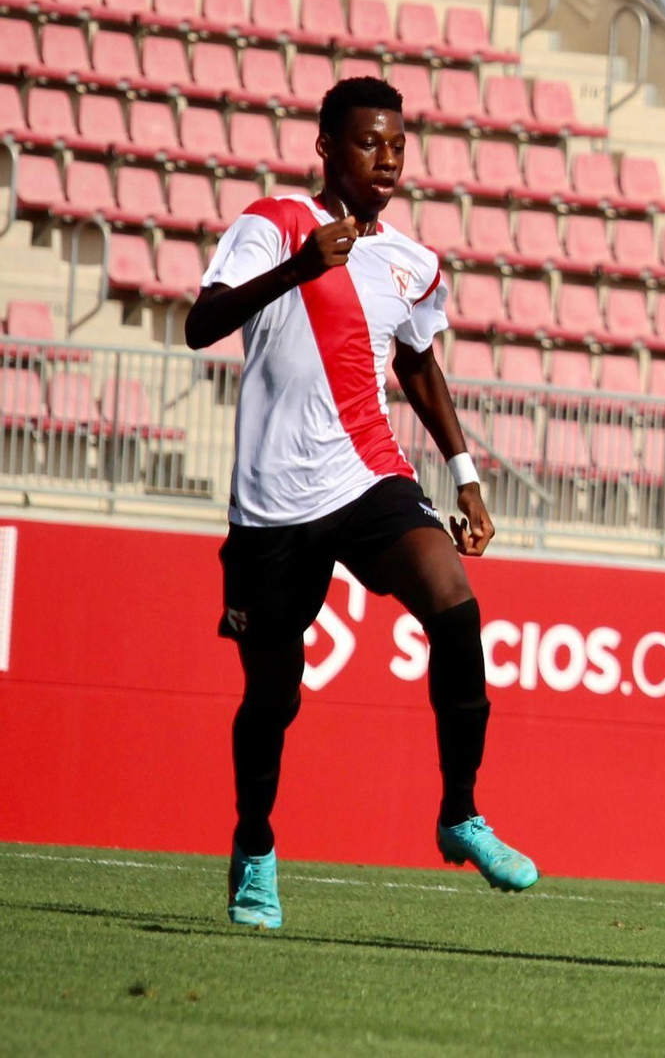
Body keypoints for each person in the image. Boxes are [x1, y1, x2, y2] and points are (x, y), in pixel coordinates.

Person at [185, 77, 537, 930]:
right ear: (327, 148)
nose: (386, 159)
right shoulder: (271, 224)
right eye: (368, 143)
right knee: (273, 697)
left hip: (367, 475)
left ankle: (461, 811)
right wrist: (298, 269)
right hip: (272, 502)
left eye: (397, 145)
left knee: (454, 604)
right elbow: (201, 325)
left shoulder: (414, 262)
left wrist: (466, 475)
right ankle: (257, 846)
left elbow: (418, 366)